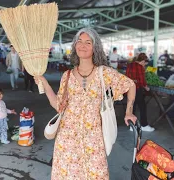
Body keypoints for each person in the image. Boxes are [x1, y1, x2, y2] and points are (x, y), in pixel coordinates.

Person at [34, 28, 137, 179]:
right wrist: (44, 82)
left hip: (93, 136)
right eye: (79, 42)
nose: (83, 45)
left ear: (95, 48)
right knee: (67, 174)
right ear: (75, 46)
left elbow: (130, 85)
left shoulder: (104, 73)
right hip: (67, 136)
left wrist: (129, 111)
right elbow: (58, 105)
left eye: (88, 42)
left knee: (96, 173)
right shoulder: (67, 76)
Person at [126, 53, 154, 132]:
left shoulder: (130, 65)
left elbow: (126, 77)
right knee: (142, 106)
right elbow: (142, 81)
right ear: (142, 61)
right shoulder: (140, 67)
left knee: (132, 107)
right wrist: (146, 87)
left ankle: (131, 126)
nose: (144, 64)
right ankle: (144, 125)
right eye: (144, 62)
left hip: (129, 89)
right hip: (137, 89)